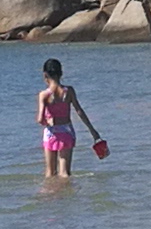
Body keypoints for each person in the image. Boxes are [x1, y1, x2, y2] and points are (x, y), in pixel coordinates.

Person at [34, 57, 102, 187]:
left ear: (45, 75)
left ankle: (52, 196)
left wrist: (48, 120)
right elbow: (79, 111)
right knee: (65, 173)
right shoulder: (69, 91)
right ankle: (68, 198)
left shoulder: (44, 95)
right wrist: (93, 132)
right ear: (61, 73)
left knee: (50, 173)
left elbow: (40, 119)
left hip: (51, 133)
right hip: (66, 131)